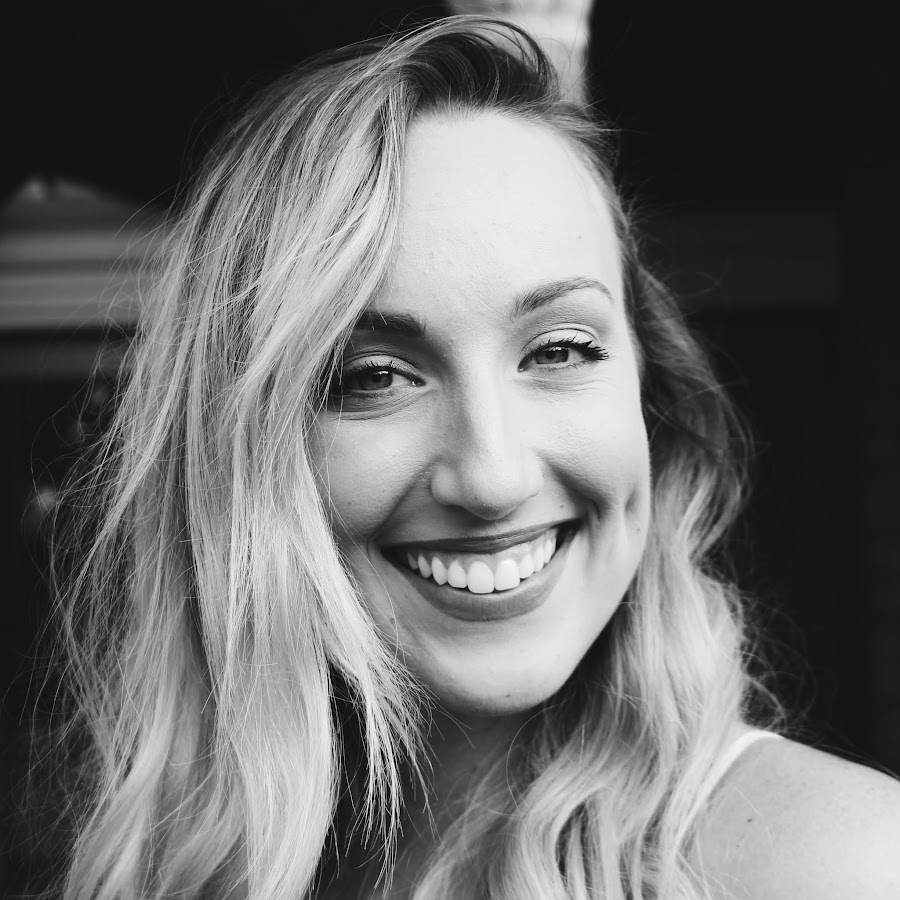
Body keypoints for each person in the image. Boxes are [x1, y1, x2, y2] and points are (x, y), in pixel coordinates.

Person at [44, 15, 900, 900]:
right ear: (239, 449)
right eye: (375, 376)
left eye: (559, 350)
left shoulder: (842, 867)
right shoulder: (176, 865)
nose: (494, 477)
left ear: (649, 391)